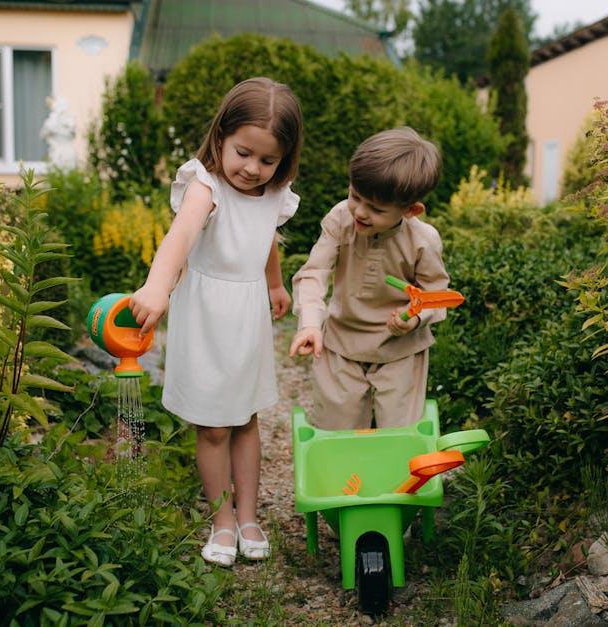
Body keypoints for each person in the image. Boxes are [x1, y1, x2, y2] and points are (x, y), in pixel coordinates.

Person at [129, 77, 303, 567]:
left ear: (283, 160)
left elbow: (267, 235)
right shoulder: (204, 186)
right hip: (206, 313)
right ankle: (221, 518)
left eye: (267, 160)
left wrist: (274, 283)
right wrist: (157, 287)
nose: (252, 169)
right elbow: (180, 237)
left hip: (247, 313)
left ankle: (249, 516)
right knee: (212, 427)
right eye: (243, 153)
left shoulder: (274, 191)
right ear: (221, 135)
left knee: (246, 417)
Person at [288, 126, 448, 430]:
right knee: (336, 427)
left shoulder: (423, 240)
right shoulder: (340, 219)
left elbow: (436, 292)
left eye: (375, 208)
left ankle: (393, 478)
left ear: (412, 210)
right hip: (340, 343)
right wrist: (310, 322)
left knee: (399, 432)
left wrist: (414, 317)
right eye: (355, 196)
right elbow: (313, 274)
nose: (359, 212)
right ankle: (341, 478)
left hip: (401, 348)